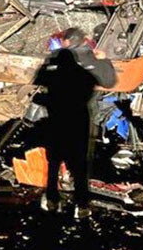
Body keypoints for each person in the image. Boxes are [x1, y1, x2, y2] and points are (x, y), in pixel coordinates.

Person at [33, 28, 116, 220]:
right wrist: (104, 61)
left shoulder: (53, 70)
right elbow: (109, 81)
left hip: (57, 121)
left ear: (66, 43)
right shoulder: (87, 70)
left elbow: (38, 81)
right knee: (80, 166)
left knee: (53, 162)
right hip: (80, 122)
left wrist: (48, 67)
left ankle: (52, 200)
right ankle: (82, 205)